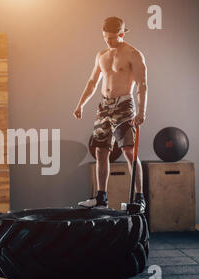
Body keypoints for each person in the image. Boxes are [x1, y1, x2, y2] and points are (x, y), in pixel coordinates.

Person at [73, 16, 148, 212]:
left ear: (122, 34)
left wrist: (141, 111)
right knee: (100, 151)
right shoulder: (102, 55)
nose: (109, 41)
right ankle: (101, 198)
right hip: (104, 107)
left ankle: (139, 199)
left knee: (128, 151)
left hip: (124, 106)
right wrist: (80, 104)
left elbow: (142, 85)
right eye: (106, 37)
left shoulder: (134, 54)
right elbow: (92, 82)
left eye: (113, 38)